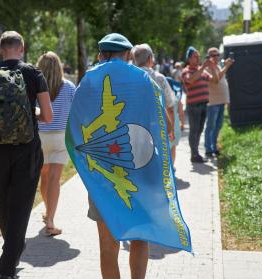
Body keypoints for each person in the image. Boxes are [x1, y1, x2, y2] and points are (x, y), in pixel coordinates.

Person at [83, 33, 173, 279]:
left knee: (108, 245)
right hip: (141, 172)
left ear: (101, 55)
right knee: (140, 238)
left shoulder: (89, 82)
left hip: (103, 175)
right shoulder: (145, 81)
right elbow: (164, 126)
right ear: (128, 55)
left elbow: (77, 127)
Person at [0, 31, 52, 279]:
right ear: (22, 48)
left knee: (3, 202)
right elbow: (48, 116)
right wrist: (30, 115)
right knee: (21, 205)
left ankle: (13, 248)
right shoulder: (33, 74)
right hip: (26, 148)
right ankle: (9, 262)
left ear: (0, 50)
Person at [36, 51, 76, 236]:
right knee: (54, 178)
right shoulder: (68, 87)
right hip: (61, 136)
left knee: (44, 176)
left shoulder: (34, 87)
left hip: (40, 136)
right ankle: (51, 218)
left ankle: (47, 211)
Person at [130, 43, 176, 163]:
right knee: (158, 163)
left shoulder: (129, 79)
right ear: (150, 58)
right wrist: (171, 130)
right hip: (157, 129)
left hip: (134, 128)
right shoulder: (159, 78)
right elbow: (170, 107)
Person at [182, 46, 213, 163]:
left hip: (204, 104)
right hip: (194, 105)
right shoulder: (186, 71)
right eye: (195, 57)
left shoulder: (202, 70)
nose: (198, 59)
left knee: (199, 130)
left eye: (199, 57)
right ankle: (194, 155)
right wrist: (203, 67)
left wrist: (213, 66)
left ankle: (196, 154)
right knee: (194, 130)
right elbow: (190, 80)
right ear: (189, 59)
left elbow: (215, 79)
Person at [204, 47, 234, 157]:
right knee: (211, 126)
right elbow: (216, 80)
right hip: (212, 102)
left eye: (217, 55)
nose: (216, 57)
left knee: (218, 126)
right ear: (208, 57)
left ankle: (213, 146)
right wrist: (226, 67)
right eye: (213, 55)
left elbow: (220, 77)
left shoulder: (216, 66)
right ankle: (208, 148)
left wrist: (224, 67)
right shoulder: (206, 69)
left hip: (221, 101)